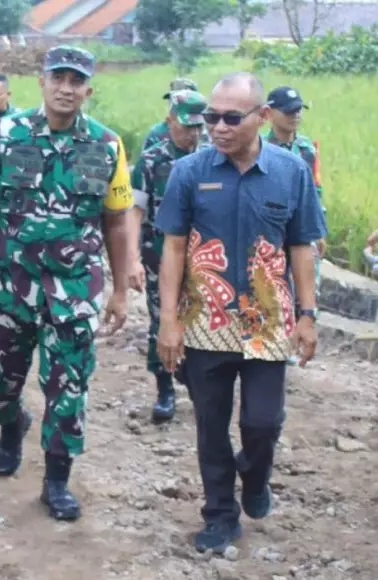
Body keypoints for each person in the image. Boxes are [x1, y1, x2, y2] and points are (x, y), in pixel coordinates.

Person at [0, 46, 136, 522]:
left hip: (72, 292)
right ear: (42, 83)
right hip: (7, 285)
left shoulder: (107, 144)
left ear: (89, 88)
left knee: (68, 389)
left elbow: (116, 220)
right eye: (58, 78)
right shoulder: (5, 134)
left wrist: (120, 289)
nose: (67, 88)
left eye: (77, 80)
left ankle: (56, 481)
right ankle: (12, 424)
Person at [154, 73, 325, 554]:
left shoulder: (290, 171)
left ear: (261, 117)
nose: (218, 127)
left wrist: (307, 314)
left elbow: (300, 246)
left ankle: (254, 476)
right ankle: (220, 516)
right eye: (212, 117)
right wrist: (168, 319)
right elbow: (172, 247)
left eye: (232, 117)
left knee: (263, 423)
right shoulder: (189, 172)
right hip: (203, 321)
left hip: (268, 325)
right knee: (211, 423)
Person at [130, 89, 210, 424]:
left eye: (198, 127)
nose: (192, 133)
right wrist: (131, 259)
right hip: (158, 256)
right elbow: (134, 211)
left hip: (203, 259)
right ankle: (165, 387)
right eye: (185, 126)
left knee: (202, 322)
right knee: (162, 320)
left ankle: (197, 382)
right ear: (170, 120)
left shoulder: (212, 159)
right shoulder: (151, 161)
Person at [265, 86, 327, 365]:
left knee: (305, 284)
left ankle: (295, 335)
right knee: (276, 285)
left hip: (301, 228)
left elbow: (315, 189)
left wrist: (319, 229)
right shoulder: (260, 150)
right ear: (270, 113)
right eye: (289, 111)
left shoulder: (306, 149)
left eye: (298, 110)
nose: (295, 116)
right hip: (274, 229)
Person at [142, 78, 199, 153]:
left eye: (181, 99)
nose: (175, 103)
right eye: (172, 99)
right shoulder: (157, 132)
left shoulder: (207, 131)